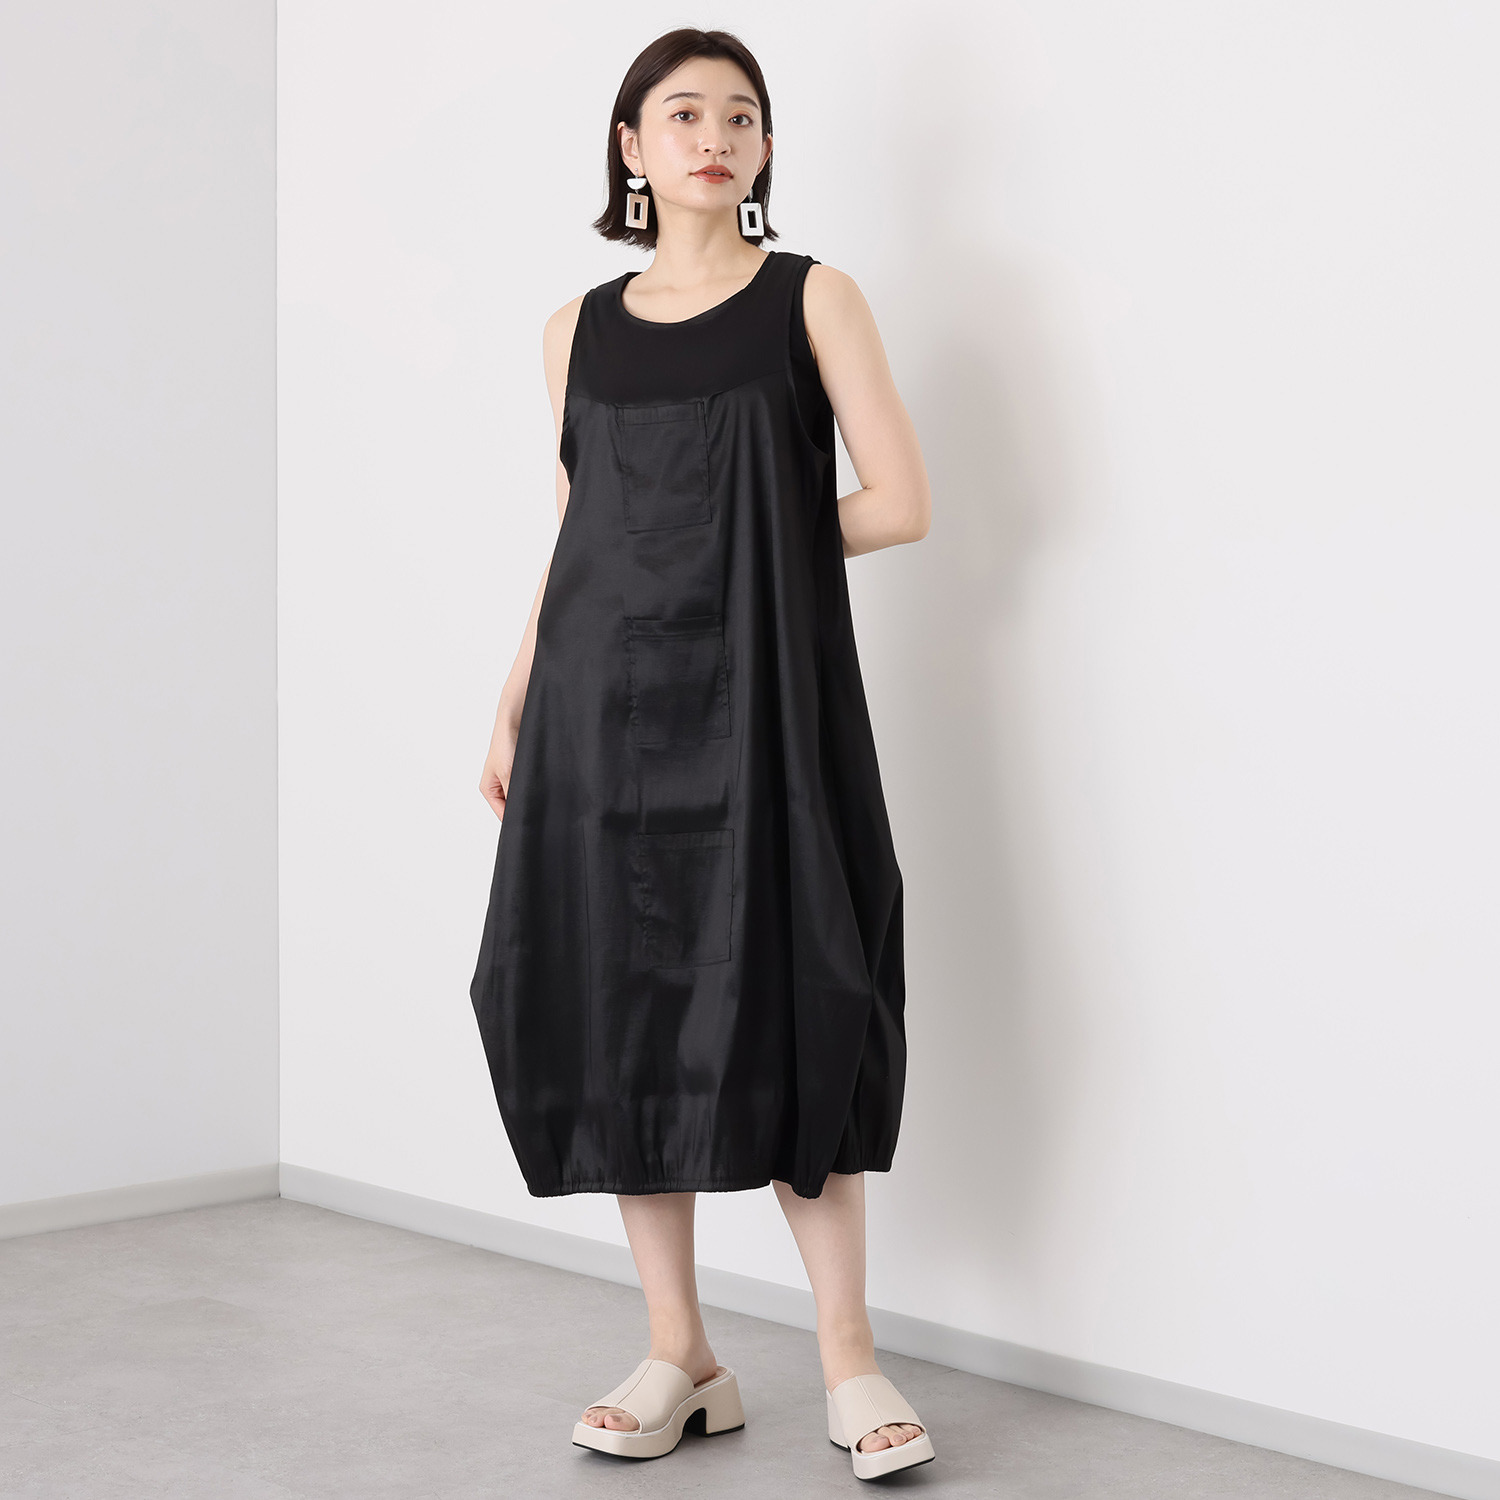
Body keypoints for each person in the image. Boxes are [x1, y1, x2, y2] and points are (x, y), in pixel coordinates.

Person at [468, 27, 934, 1481]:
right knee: (626, 1006)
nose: (714, 137)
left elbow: (900, 500)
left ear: (767, 146)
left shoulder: (813, 298)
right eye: (683, 114)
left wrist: (751, 551)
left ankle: (847, 1357)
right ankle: (683, 1351)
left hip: (767, 705)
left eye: (741, 116)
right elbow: (579, 526)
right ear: (632, 146)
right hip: (601, 712)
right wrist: (515, 688)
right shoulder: (575, 330)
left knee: (805, 991)